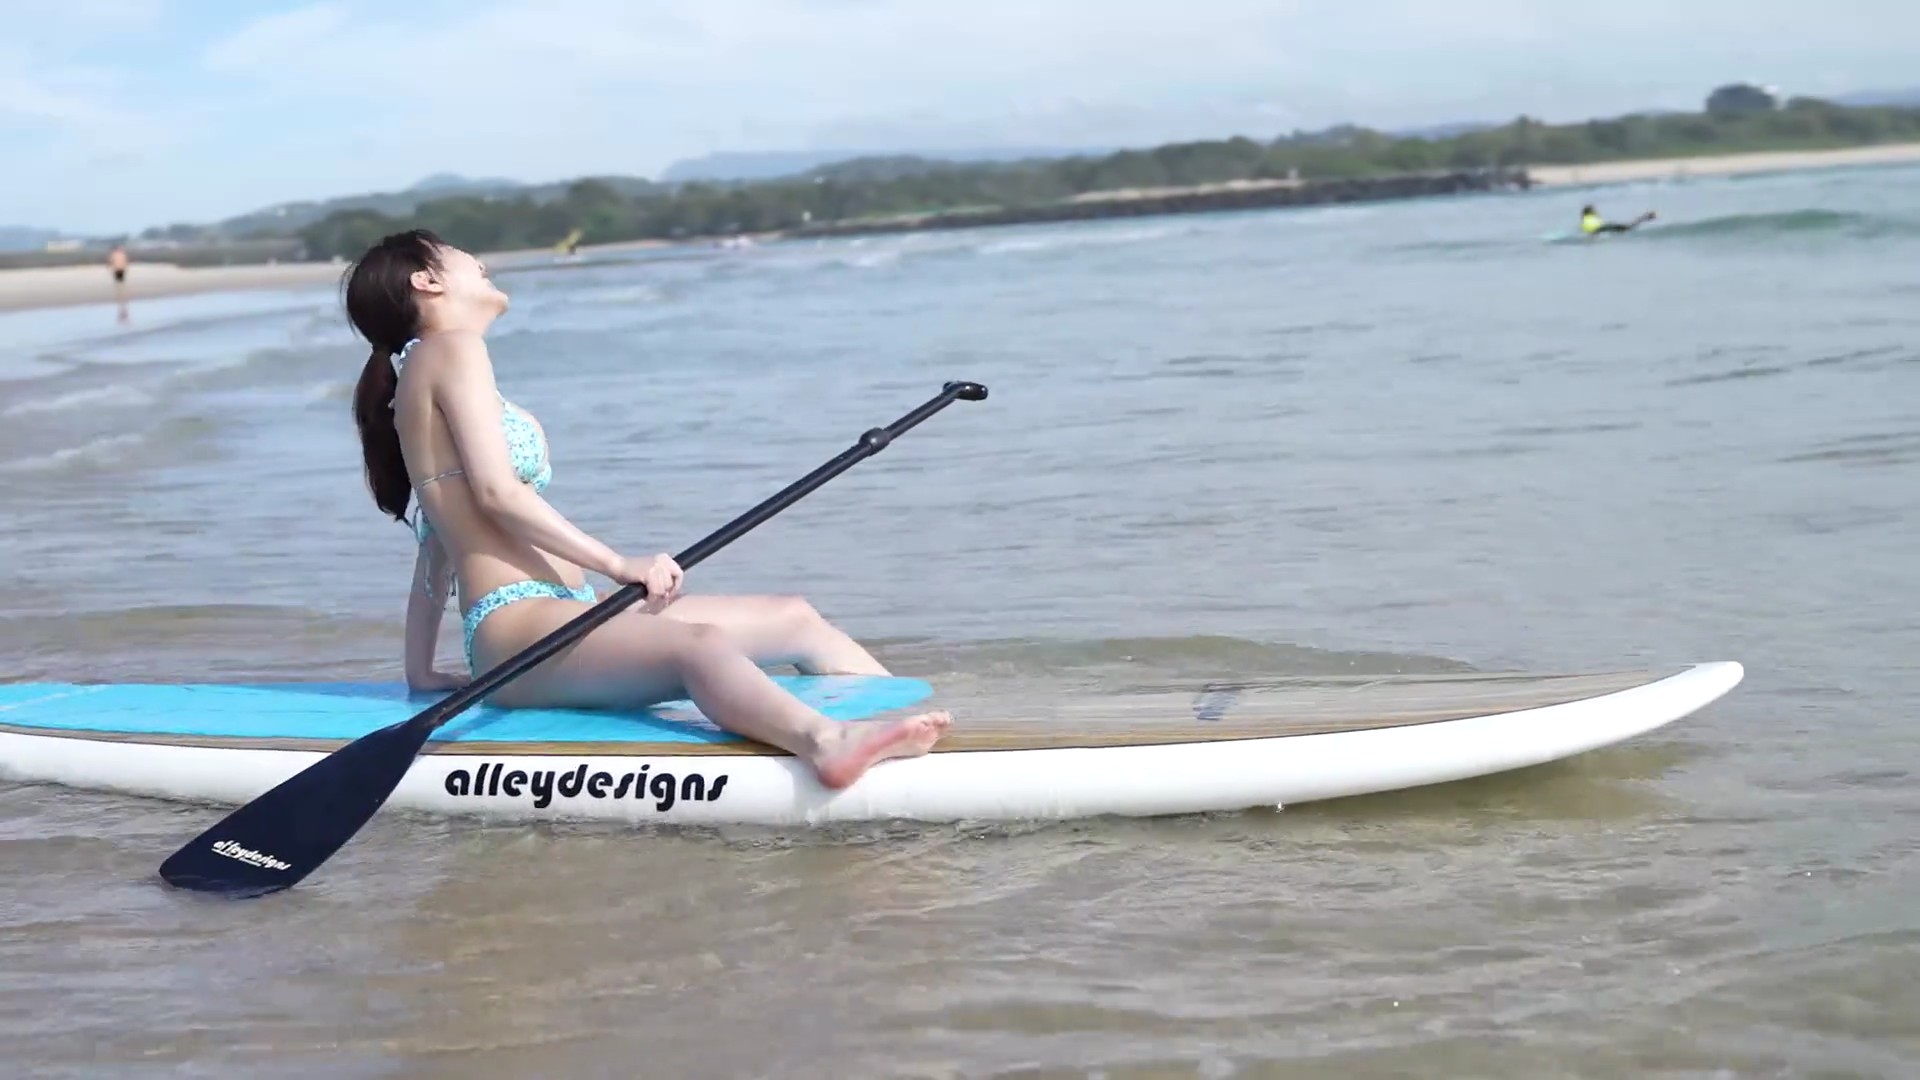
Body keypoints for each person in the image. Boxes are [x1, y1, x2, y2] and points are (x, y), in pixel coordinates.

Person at [344, 228, 951, 789]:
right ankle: (827, 743)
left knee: (795, 618)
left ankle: (911, 734)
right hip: (522, 631)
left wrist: (421, 671)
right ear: (427, 279)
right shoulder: (451, 348)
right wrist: (618, 564)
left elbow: (436, 539)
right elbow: (498, 494)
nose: (478, 261)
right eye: (459, 254)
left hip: (562, 616)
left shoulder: (422, 372)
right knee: (698, 645)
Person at [1579, 204, 1656, 236]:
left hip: (1599, 230)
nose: (1596, 211)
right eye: (1594, 210)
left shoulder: (1584, 221)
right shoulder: (1592, 217)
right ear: (1591, 211)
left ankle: (1645, 217)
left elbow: (1588, 231)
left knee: (1627, 228)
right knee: (1629, 227)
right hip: (1603, 228)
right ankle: (1646, 217)